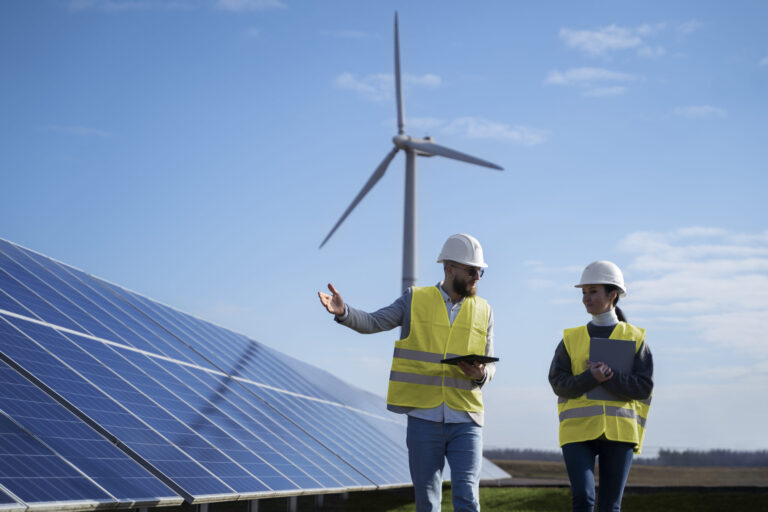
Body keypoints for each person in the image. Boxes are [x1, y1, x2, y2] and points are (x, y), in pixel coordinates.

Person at [318, 233, 495, 512]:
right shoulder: (415, 299)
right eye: (472, 270)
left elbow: (490, 366)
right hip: (424, 418)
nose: (477, 277)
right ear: (449, 268)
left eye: (480, 271)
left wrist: (482, 374)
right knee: (427, 502)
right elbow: (374, 321)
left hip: (467, 418)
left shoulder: (485, 309)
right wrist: (344, 312)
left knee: (468, 499)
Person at [548, 260, 654, 512]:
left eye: (593, 291)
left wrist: (611, 377)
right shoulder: (570, 338)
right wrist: (590, 378)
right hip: (577, 432)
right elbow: (558, 383)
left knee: (609, 506)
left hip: (620, 433)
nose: (586, 298)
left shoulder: (635, 338)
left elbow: (643, 387)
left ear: (612, 294)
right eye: (584, 292)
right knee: (583, 499)